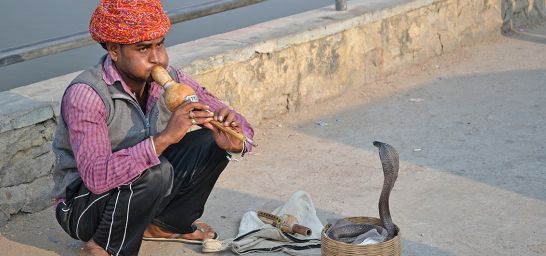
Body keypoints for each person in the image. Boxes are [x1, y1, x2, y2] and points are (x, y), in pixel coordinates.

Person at [50, 0, 254, 255]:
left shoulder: (172, 79)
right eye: (143, 48)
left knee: (209, 139)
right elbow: (96, 177)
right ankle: (104, 246)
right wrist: (164, 139)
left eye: (160, 44)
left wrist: (238, 140)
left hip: (139, 191)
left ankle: (164, 225)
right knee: (155, 169)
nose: (157, 58)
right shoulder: (87, 95)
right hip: (83, 207)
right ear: (114, 50)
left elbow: (226, 115)